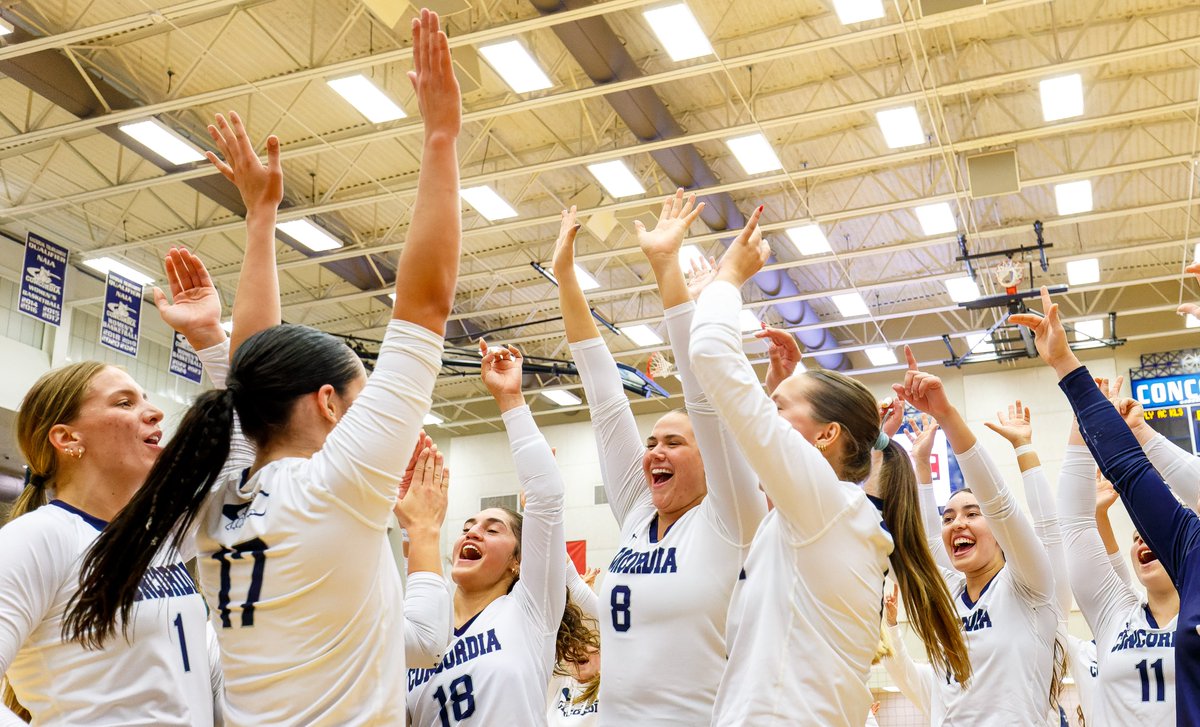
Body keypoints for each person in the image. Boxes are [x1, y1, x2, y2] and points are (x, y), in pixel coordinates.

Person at [62, 10, 461, 724]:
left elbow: (249, 361)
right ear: (330, 403)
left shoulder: (220, 498)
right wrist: (440, 138)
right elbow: (424, 305)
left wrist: (260, 219)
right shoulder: (336, 487)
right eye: (361, 394)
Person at [688, 209, 969, 726]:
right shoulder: (843, 515)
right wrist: (785, 386)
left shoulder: (830, 507)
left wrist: (727, 280)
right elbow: (745, 438)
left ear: (826, 436)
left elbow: (710, 354)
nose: (766, 420)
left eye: (778, 411)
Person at [552, 192, 767, 725]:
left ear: (708, 457)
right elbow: (604, 396)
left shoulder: (732, 518)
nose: (655, 452)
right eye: (651, 442)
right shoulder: (637, 514)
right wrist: (565, 277)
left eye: (674, 442)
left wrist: (666, 268)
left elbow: (704, 398)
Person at [0, 250, 227, 726]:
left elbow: (251, 458)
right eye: (125, 402)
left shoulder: (158, 534)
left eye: (146, 398)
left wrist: (208, 337)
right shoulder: (35, 540)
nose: (154, 412)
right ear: (67, 438)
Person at [1012, 284, 1199, 724]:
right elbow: (1120, 477)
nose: (1142, 539)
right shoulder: (1185, 551)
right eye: (1138, 534)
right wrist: (1064, 364)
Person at [407, 341, 593, 726]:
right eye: (467, 527)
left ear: (518, 561)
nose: (473, 532)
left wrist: (510, 399)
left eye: (493, 530)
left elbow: (546, 494)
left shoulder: (530, 608)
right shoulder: (424, 619)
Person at [895, 348, 1061, 726]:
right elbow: (926, 538)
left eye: (972, 514)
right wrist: (921, 466)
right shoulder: (950, 591)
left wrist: (946, 416)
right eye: (949, 517)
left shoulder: (1028, 585)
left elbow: (1000, 504)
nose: (957, 524)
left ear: (1001, 535)